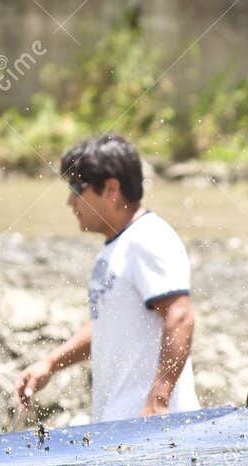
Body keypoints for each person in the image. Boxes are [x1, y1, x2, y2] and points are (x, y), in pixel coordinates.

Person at [15, 133, 199, 422]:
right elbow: (110, 322)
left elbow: (180, 316)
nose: (69, 201)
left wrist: (158, 402)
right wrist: (50, 363)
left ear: (111, 189)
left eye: (77, 188)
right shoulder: (116, 246)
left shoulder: (149, 238)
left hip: (153, 426)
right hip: (119, 421)